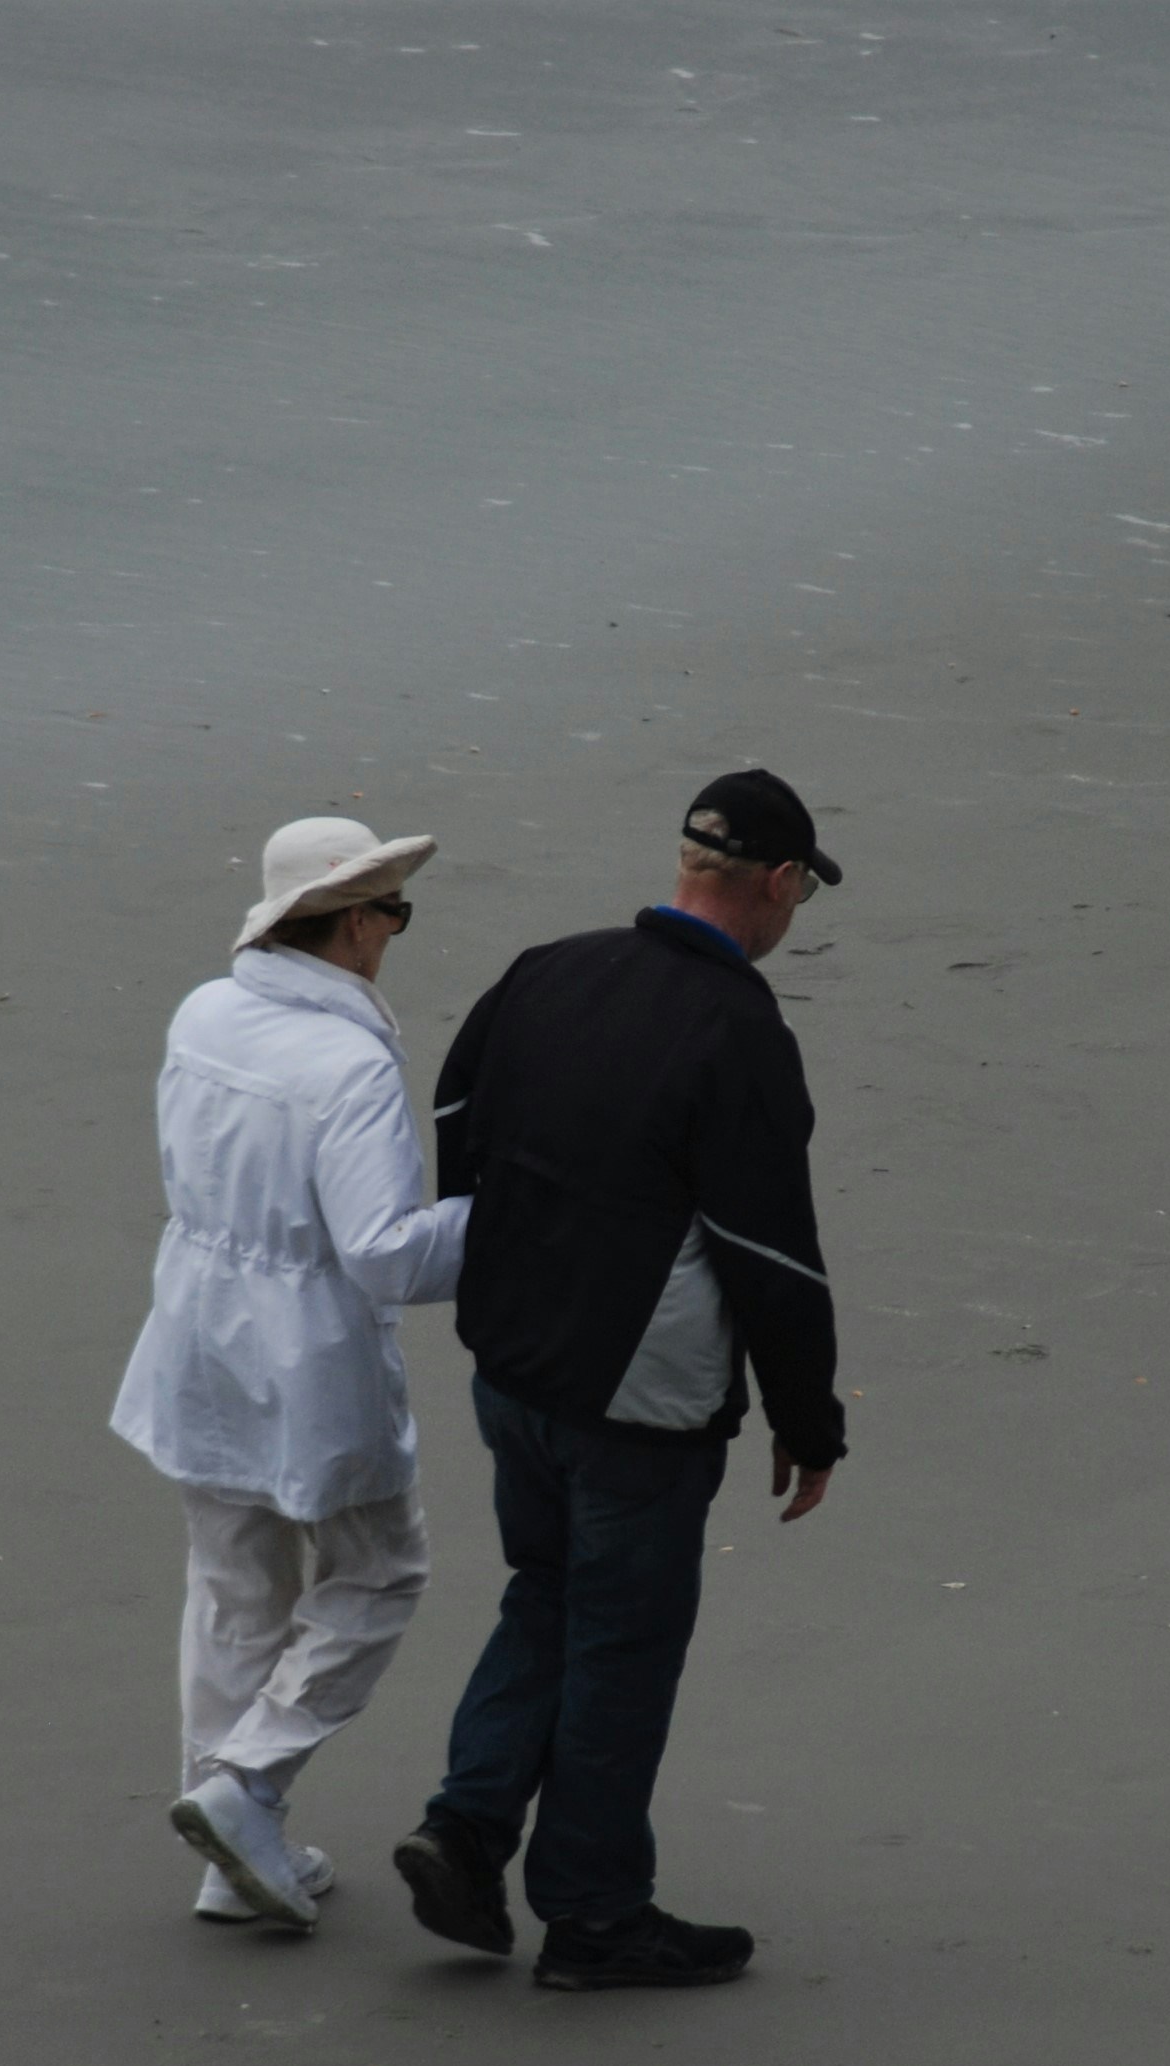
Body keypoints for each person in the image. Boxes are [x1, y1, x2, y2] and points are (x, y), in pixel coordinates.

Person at [393, 769, 850, 1990]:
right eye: (799, 892)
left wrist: (503, 1254)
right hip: (637, 1402)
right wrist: (810, 1422)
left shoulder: (548, 967)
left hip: (512, 1365)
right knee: (624, 1641)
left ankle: (466, 1828)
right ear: (777, 882)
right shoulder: (738, 1031)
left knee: (545, 1591)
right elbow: (767, 1254)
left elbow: (455, 1108)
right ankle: (593, 1913)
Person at [110, 816, 470, 1932]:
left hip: (195, 1324)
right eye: (393, 914)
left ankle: (231, 1856)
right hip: (307, 1349)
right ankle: (247, 1785)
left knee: (232, 1587)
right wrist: (508, 1224)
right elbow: (382, 1252)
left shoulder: (203, 1011)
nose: (394, 935)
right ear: (356, 922)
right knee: (376, 1571)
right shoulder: (347, 1063)